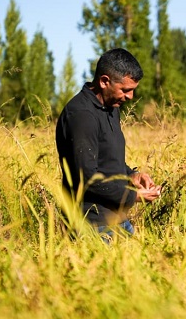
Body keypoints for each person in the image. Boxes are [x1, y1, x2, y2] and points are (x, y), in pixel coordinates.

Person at [56, 48, 161, 238]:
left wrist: (132, 175)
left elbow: (108, 160)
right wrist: (134, 197)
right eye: (125, 90)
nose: (130, 97)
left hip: (117, 219)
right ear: (104, 81)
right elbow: (87, 176)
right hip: (91, 224)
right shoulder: (81, 115)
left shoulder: (111, 107)